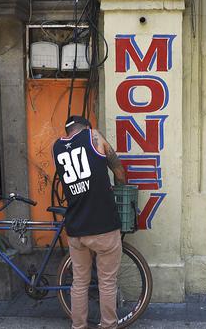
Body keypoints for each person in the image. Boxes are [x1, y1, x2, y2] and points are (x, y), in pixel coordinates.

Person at [52, 115, 126, 329]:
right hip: (103, 226)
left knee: (79, 283)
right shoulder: (94, 136)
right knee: (107, 283)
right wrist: (118, 186)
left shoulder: (57, 146)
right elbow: (119, 172)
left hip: (76, 228)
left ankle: (78, 326)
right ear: (86, 128)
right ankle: (108, 325)